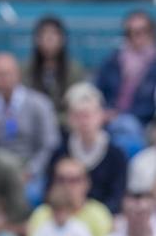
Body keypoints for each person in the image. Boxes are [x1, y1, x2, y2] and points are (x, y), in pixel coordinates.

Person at [0, 52, 59, 181]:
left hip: (32, 171)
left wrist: (32, 170)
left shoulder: (40, 104)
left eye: (6, 74)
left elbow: (49, 144)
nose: (2, 79)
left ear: (18, 74)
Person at [45, 82, 128, 213]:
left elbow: (117, 196)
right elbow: (50, 190)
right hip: (64, 216)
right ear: (69, 118)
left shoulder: (115, 155)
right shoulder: (60, 153)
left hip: (103, 217)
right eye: (78, 115)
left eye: (89, 115)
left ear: (101, 115)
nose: (84, 121)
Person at [93, 10, 156, 145]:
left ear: (151, 33)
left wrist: (120, 115)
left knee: (126, 129)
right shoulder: (113, 60)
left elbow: (150, 105)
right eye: (130, 32)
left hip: (142, 123)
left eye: (140, 31)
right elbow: (96, 91)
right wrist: (102, 112)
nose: (135, 36)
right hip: (108, 119)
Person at [27, 156, 115, 236]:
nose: (66, 186)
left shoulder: (99, 214)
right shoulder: (41, 214)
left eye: (73, 180)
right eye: (61, 180)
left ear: (86, 183)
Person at [25, 16, 86, 121]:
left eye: (54, 34)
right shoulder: (27, 69)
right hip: (34, 125)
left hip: (65, 126)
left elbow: (77, 104)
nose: (49, 38)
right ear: (37, 39)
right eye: (43, 34)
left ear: (62, 39)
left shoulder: (74, 69)